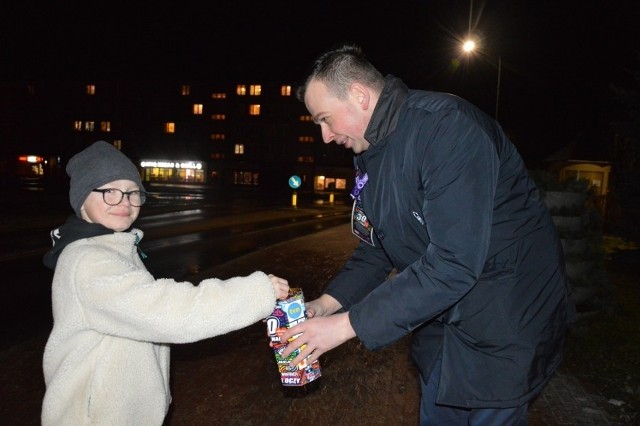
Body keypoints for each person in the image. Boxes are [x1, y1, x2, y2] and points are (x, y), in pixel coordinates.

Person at [281, 43, 572, 425]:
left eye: (325, 119)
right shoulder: (370, 155)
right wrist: (329, 303)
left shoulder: (447, 128)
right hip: (444, 325)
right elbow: (377, 247)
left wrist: (345, 326)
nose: (325, 136)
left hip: (506, 321)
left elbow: (453, 262)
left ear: (359, 95)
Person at [41, 140, 289, 425]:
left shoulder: (110, 248)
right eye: (110, 191)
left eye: (132, 192)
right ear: (82, 198)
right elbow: (169, 312)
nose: (124, 201)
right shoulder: (89, 261)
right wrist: (256, 292)